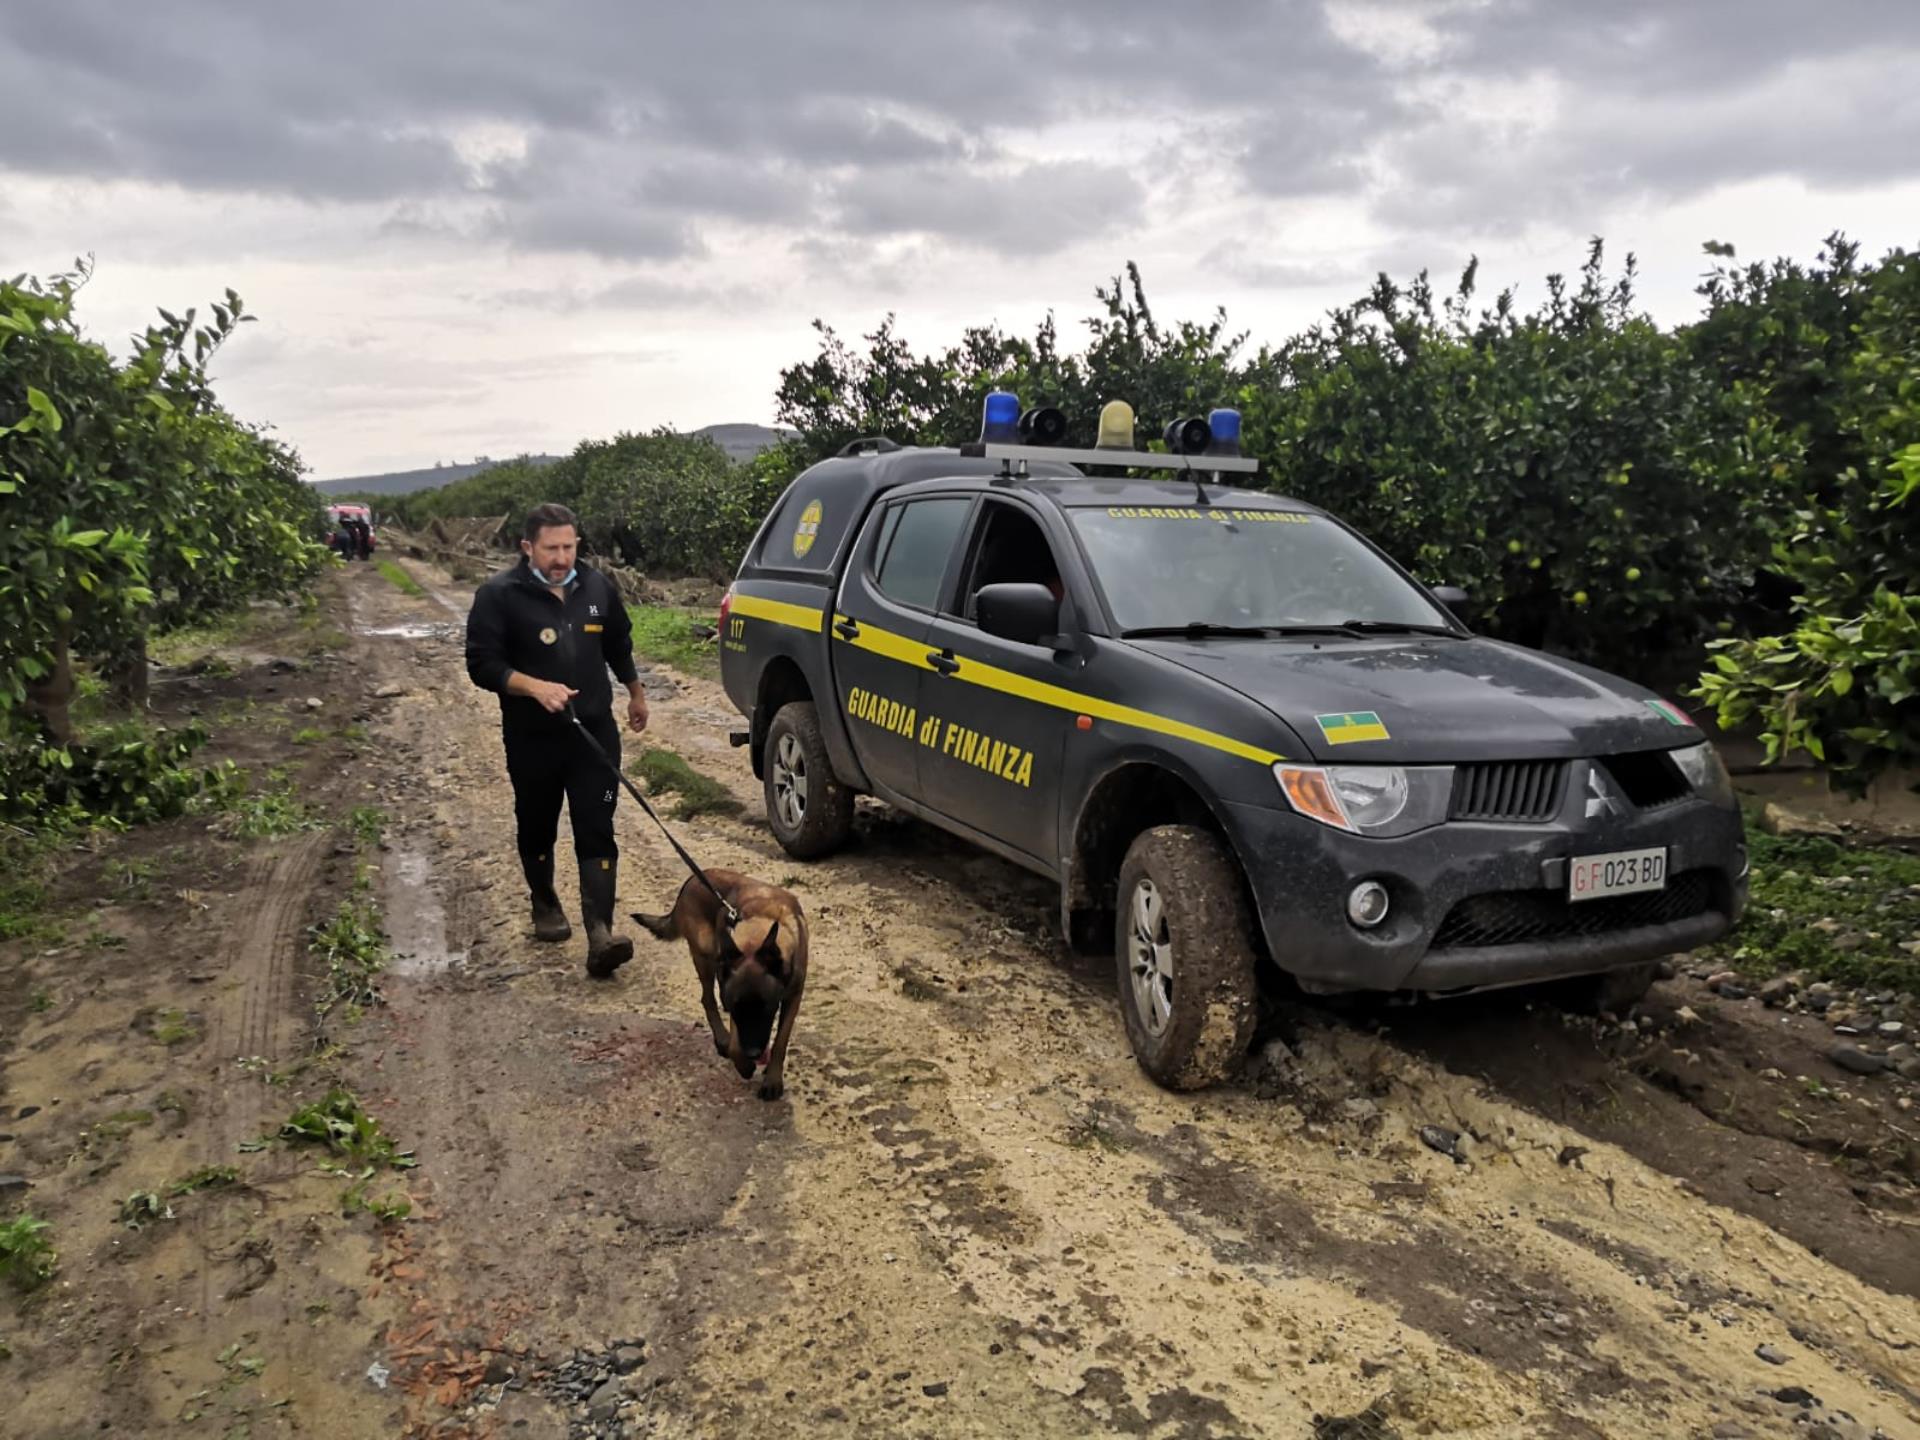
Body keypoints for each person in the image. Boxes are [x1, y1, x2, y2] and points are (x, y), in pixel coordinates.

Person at [464, 504, 651, 977]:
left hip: (593, 736)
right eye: (551, 548)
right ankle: (544, 902)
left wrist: (635, 693)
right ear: (528, 547)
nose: (562, 557)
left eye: (569, 546)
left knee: (597, 822)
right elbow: (482, 665)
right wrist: (534, 687)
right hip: (532, 739)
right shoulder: (499, 595)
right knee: (537, 823)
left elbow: (618, 645)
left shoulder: (597, 587)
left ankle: (600, 934)